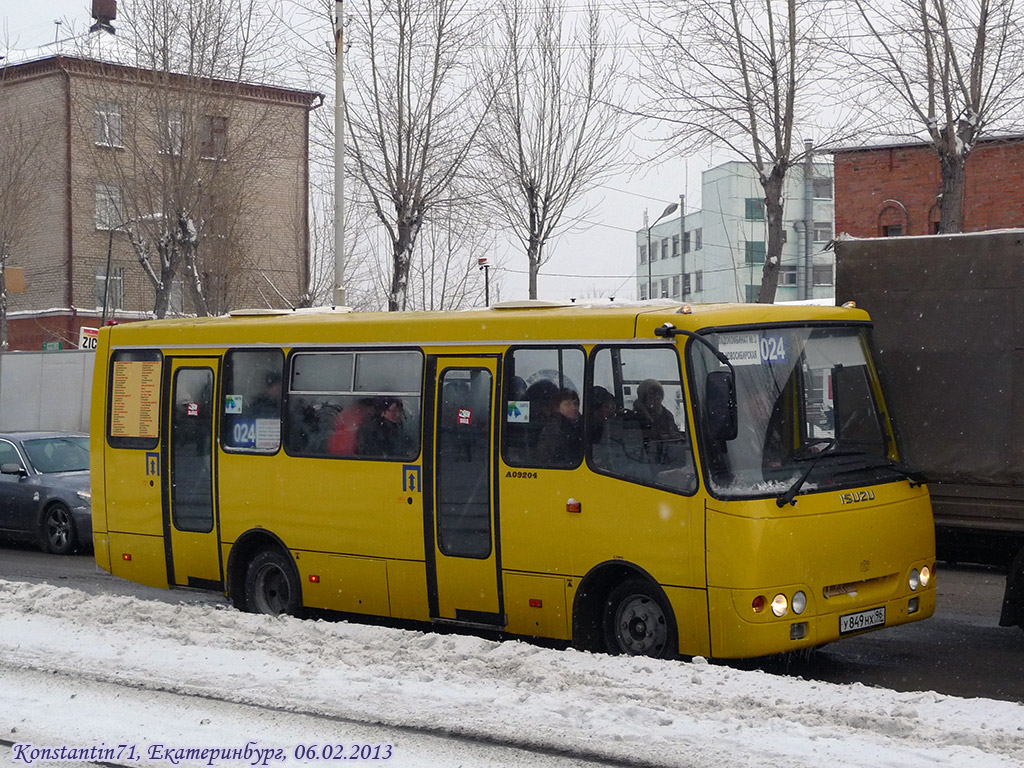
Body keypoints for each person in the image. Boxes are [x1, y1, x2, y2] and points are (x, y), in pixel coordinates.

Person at [633, 378, 685, 465]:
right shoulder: (635, 417)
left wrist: (673, 435)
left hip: (666, 455)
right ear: (643, 399)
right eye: (651, 398)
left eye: (658, 398)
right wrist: (659, 437)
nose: (655, 401)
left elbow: (673, 431)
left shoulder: (667, 415)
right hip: (642, 459)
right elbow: (638, 439)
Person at [537, 388, 583, 465]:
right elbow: (549, 456)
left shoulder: (579, 424)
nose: (574, 408)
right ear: (557, 408)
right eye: (567, 404)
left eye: (575, 404)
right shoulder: (554, 428)